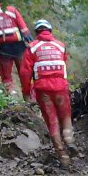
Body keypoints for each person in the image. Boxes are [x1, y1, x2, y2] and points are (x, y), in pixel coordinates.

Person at [20, 19, 74, 167]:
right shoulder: (60, 46)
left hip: (43, 89)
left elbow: (25, 73)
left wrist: (26, 92)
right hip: (61, 87)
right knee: (65, 114)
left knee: (52, 121)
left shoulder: (32, 47)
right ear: (50, 31)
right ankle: (69, 138)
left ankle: (63, 156)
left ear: (37, 32)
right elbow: (64, 64)